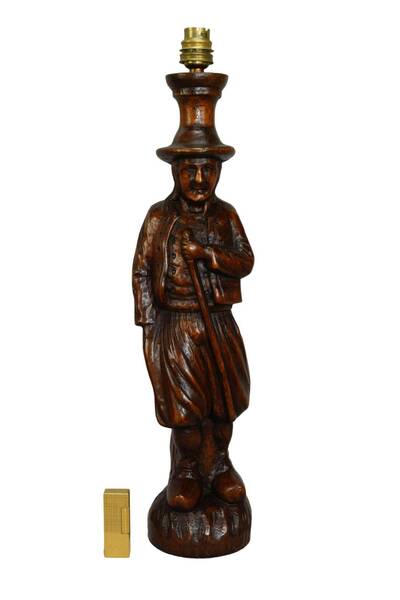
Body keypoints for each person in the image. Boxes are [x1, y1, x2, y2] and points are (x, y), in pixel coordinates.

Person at [133, 155, 254, 510]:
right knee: (184, 408)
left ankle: (219, 466)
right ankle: (186, 470)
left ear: (218, 171)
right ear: (176, 171)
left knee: (224, 403)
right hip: (177, 324)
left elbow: (245, 260)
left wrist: (207, 253)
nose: (200, 178)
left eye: (208, 170)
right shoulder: (159, 217)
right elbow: (142, 270)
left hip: (218, 320)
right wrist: (150, 324)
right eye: (190, 170)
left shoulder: (226, 216)